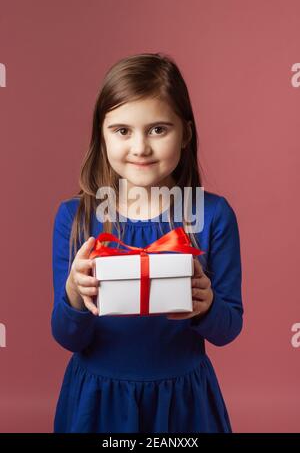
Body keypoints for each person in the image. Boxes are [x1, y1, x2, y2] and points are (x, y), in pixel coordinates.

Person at [51, 52, 243, 433]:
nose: (140, 147)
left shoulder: (213, 215)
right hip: (98, 401)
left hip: (183, 403)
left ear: (185, 133)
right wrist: (75, 292)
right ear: (101, 134)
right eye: (122, 130)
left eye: (158, 129)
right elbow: (67, 336)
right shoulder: (75, 218)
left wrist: (206, 306)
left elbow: (228, 329)